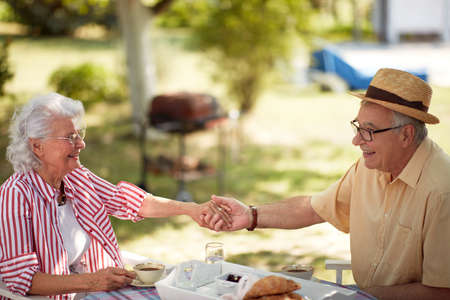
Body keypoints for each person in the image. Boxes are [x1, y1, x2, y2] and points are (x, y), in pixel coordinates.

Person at [202, 68, 450, 299]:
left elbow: (442, 292)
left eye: (369, 131)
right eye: (358, 127)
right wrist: (250, 215)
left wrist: (362, 296)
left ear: (406, 134)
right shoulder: (371, 167)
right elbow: (313, 208)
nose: (356, 141)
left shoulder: (442, 190)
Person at [0, 93, 211, 300]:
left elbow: (130, 202)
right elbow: (21, 280)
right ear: (37, 146)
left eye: (79, 135)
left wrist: (190, 208)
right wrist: (92, 281)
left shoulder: (75, 176)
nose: (81, 144)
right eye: (69, 137)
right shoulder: (15, 194)